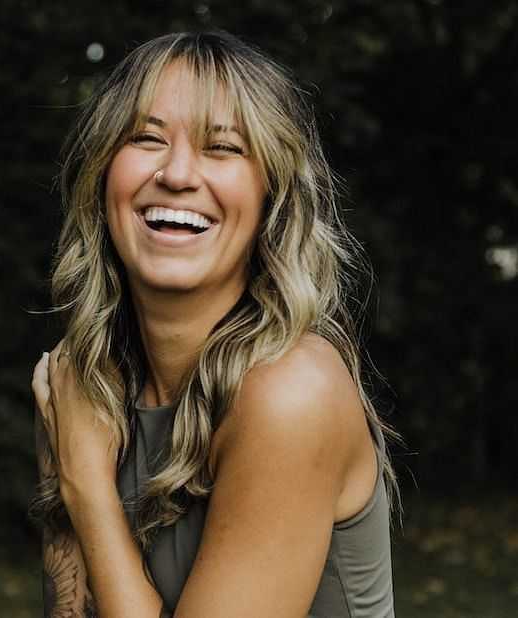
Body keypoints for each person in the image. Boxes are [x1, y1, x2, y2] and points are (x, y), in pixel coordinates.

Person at [30, 30, 398, 618]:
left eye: (222, 148)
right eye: (146, 139)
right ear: (102, 180)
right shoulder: (85, 385)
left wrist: (87, 489)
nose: (177, 174)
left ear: (271, 197)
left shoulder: (291, 393)